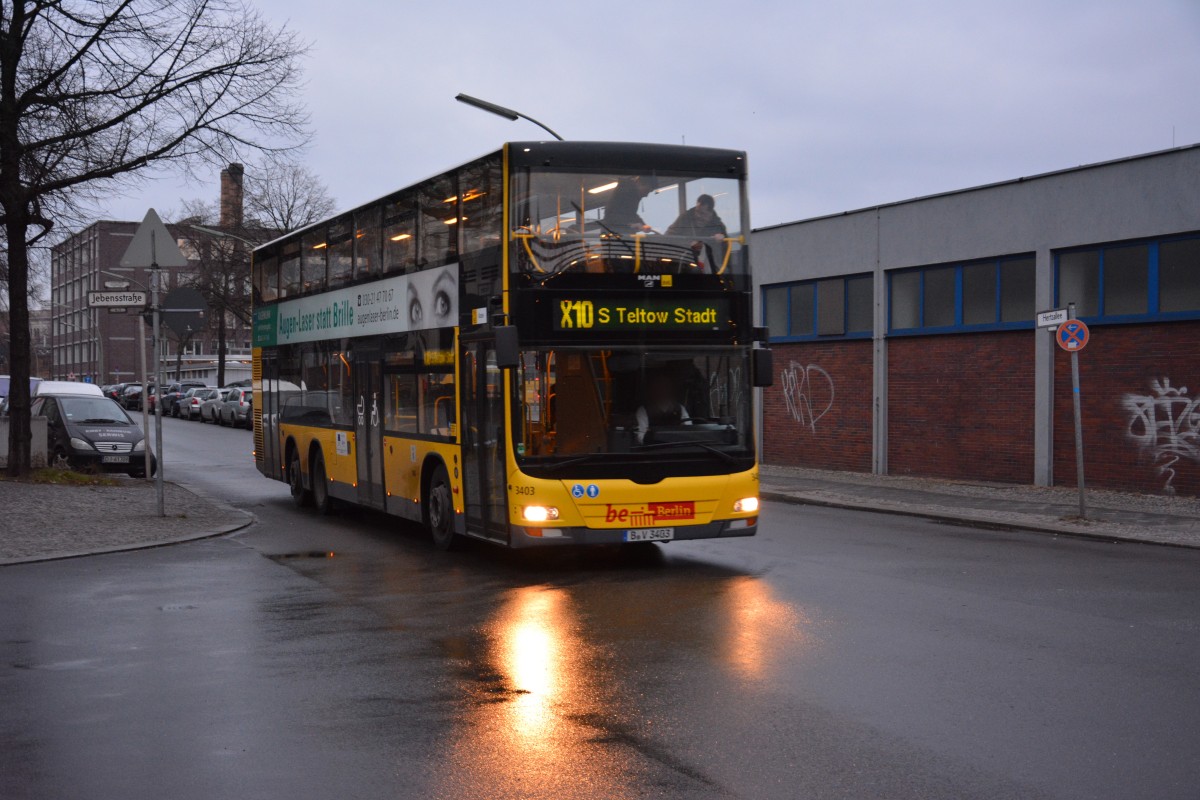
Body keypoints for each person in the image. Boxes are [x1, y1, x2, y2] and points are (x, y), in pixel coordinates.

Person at [635, 373, 690, 444]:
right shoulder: (643, 410)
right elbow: (640, 436)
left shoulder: (680, 408)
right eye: (658, 387)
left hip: (677, 449)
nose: (662, 390)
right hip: (654, 450)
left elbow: (689, 430)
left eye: (665, 387)